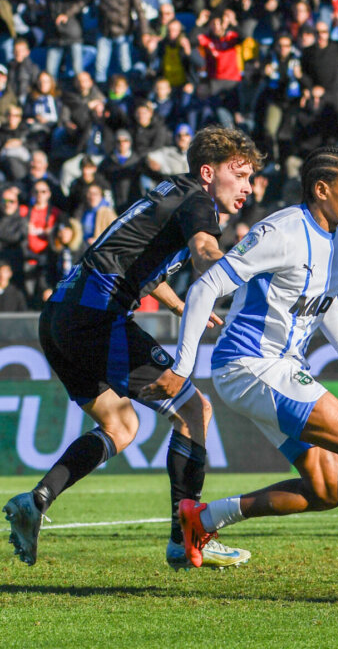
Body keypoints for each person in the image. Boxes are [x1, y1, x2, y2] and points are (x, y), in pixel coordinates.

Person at [141, 147, 338, 606]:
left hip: (281, 367)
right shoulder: (283, 230)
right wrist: (182, 366)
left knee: (324, 487)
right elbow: (207, 285)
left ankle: (204, 517)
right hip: (248, 364)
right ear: (322, 190)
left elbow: (326, 301)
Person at [3, 126, 258, 571]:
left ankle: (37, 499)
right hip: (95, 317)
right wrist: (242, 272)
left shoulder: (167, 194)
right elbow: (203, 249)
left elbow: (141, 265)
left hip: (60, 316)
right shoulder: (199, 203)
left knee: (121, 426)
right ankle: (187, 538)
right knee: (194, 410)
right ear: (207, 172)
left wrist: (180, 304)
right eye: (240, 175)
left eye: (250, 178)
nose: (248, 187)